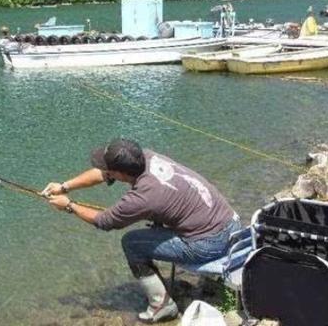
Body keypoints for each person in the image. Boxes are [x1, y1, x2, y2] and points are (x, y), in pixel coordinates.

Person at [41, 138, 240, 323]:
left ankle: (162, 305)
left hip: (210, 243)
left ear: (121, 174)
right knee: (155, 224)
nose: (105, 171)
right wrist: (64, 186)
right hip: (231, 224)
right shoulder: (147, 157)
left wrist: (69, 206)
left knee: (132, 243)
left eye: (109, 169)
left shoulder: (142, 197)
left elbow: (104, 221)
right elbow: (103, 173)